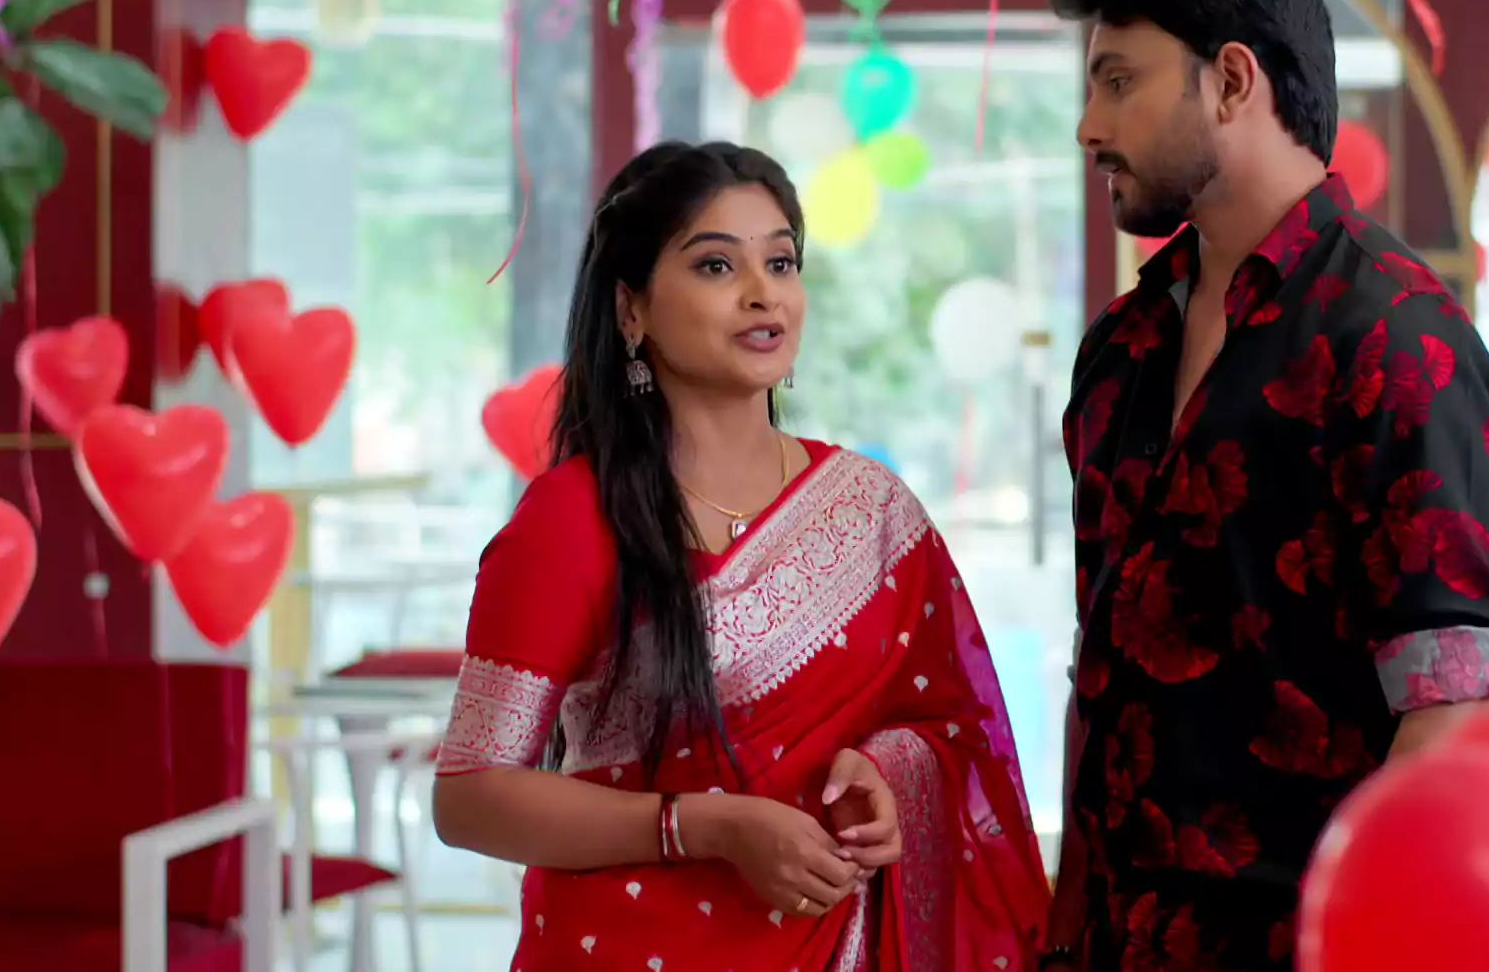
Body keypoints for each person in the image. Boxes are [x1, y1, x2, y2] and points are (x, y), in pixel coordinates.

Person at [1039, 0, 1489, 969]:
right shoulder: (1119, 349)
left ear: (1231, 80)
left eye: (1118, 81)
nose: (1090, 127)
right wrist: (1063, 934)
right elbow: (1100, 674)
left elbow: (1450, 707)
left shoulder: (1398, 341)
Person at [432, 141, 1050, 971]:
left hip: (835, 942)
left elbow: (955, 731)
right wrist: (702, 826)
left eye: (781, 262)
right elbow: (469, 796)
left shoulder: (872, 512)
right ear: (631, 310)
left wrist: (888, 774)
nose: (764, 293)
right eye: (717, 265)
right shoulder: (574, 519)